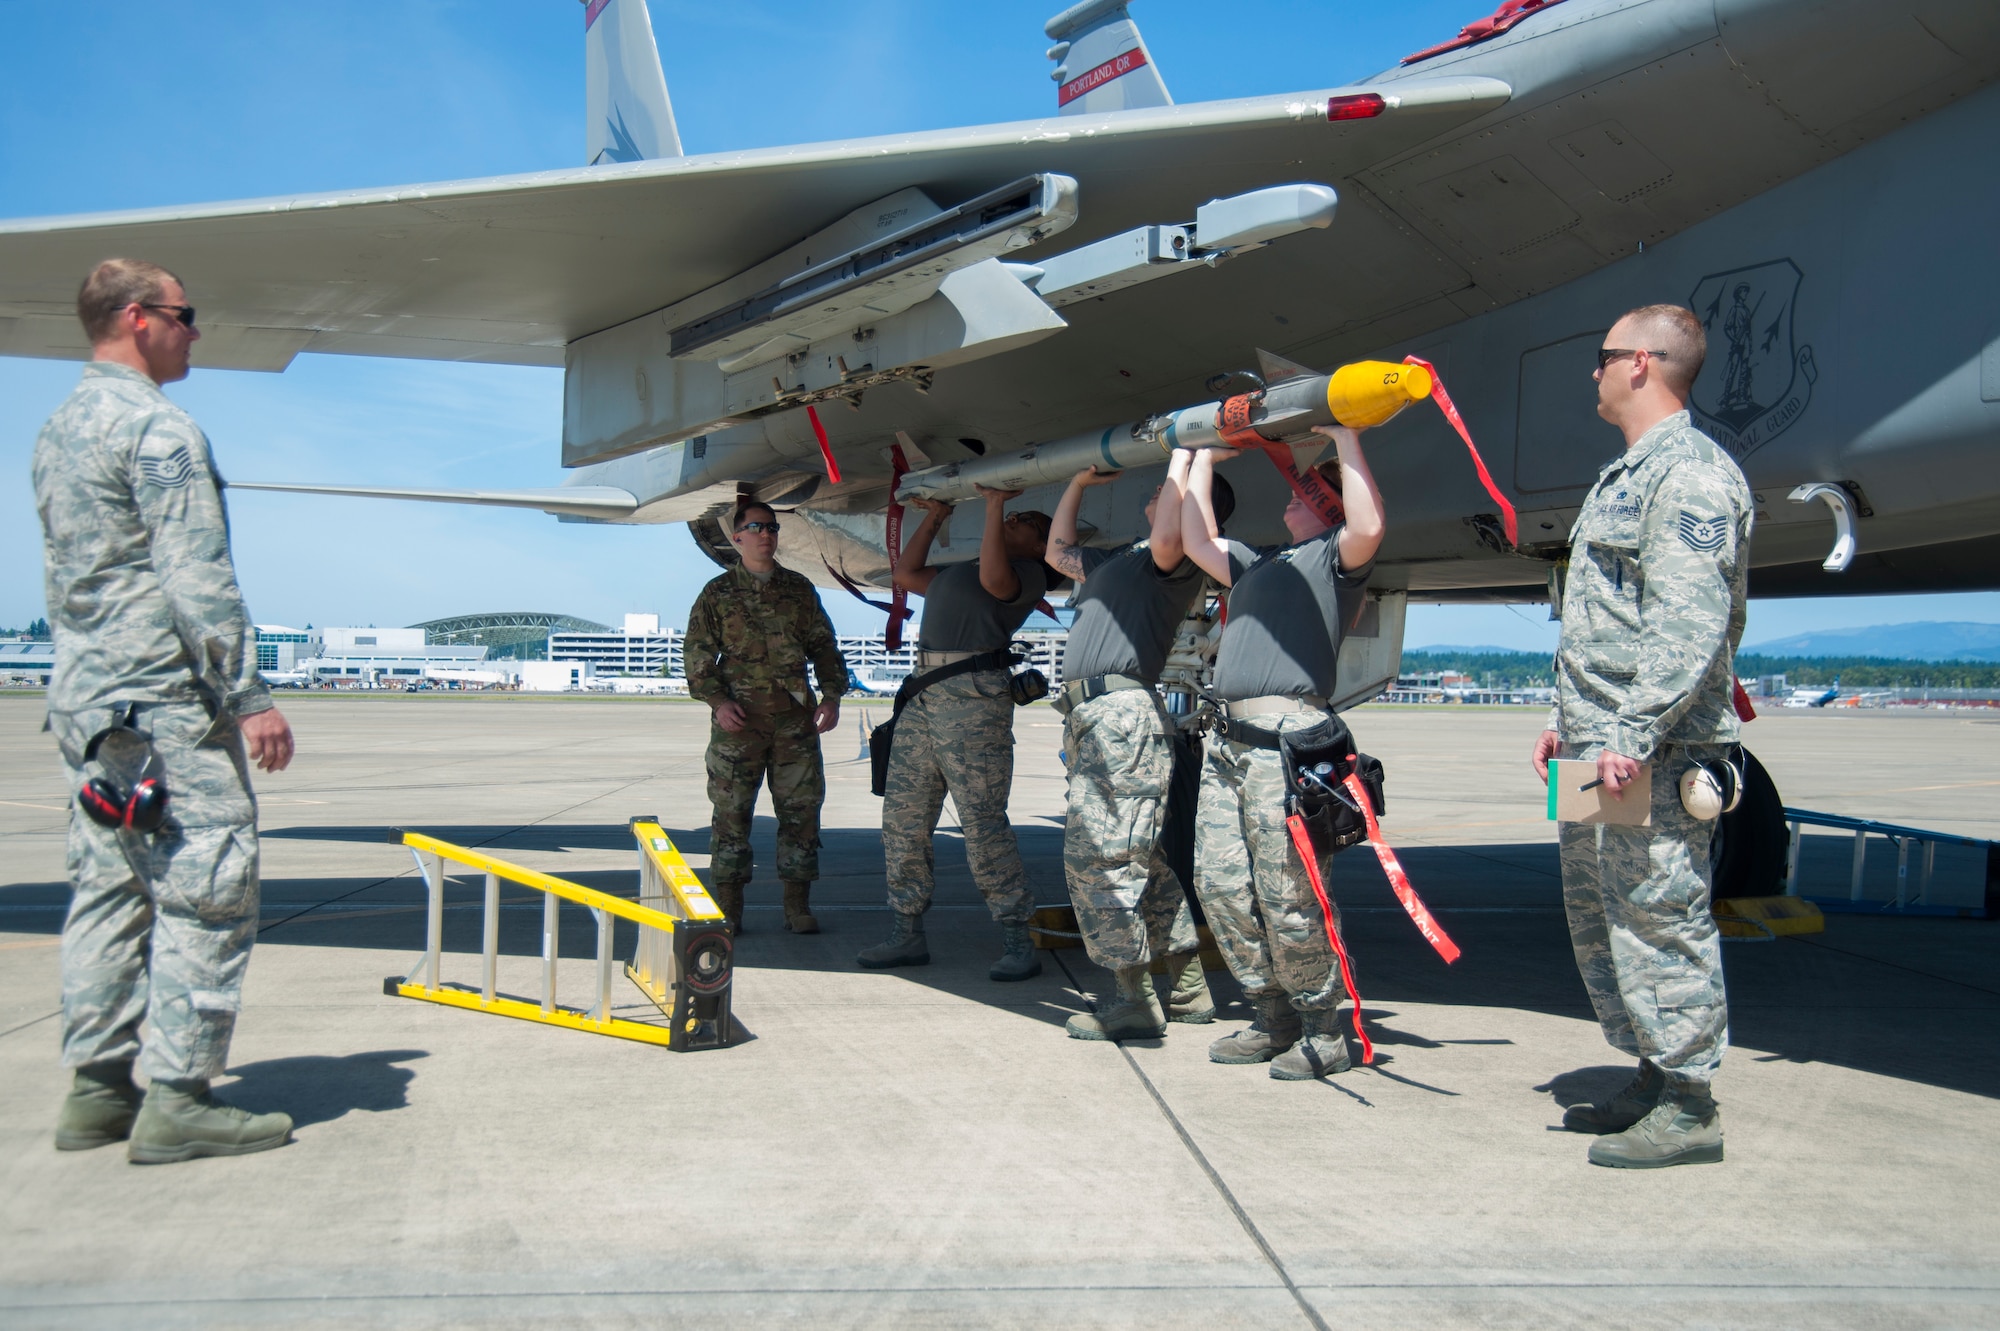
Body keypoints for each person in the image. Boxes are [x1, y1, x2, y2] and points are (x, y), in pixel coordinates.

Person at [34, 259, 297, 1163]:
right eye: (188, 315)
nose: (197, 331)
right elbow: (196, 579)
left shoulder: (59, 428)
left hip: (89, 704)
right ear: (139, 319)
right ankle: (181, 1097)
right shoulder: (159, 431)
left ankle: (95, 1092)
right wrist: (249, 696)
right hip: (167, 704)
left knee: (108, 892)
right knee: (209, 887)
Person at [1530, 304, 1752, 1169]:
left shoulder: (1691, 475)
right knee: (1600, 914)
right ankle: (1655, 1074)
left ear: (1641, 365)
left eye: (1602, 355)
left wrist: (1630, 728)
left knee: (1659, 916)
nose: (1592, 371)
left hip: (1649, 753)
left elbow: (1688, 629)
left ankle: (1692, 1104)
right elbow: (1602, 622)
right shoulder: (1622, 474)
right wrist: (1565, 722)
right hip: (1598, 746)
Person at [1179, 428, 1385, 1080]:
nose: (1290, 497)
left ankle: (1324, 1028)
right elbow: (1195, 540)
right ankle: (1272, 1013)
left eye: (1305, 490)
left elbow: (1369, 520)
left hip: (1282, 745)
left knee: (1289, 893)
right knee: (1218, 883)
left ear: (1325, 507)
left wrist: (1345, 439)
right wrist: (1194, 459)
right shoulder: (1261, 562)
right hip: (1229, 745)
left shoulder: (1333, 558)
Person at [1043, 453, 1234, 1040]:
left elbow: (1174, 530)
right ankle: (1186, 987)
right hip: (1095, 715)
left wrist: (1185, 453)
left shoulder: (1167, 563)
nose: (1157, 492)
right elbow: (1056, 553)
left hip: (1120, 713)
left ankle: (1132, 998)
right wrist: (1076, 483)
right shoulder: (1121, 560)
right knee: (1141, 858)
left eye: (1167, 490)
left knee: (1099, 858)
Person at [857, 486, 1053, 980]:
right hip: (925, 692)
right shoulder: (961, 572)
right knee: (903, 817)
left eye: (1026, 520)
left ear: (1038, 546)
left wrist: (994, 504)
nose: (1017, 520)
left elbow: (995, 577)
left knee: (982, 823)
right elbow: (905, 574)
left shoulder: (1027, 575)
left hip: (972, 697)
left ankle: (1016, 937)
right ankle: (906, 932)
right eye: (1015, 514)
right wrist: (937, 517)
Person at [684, 500, 847, 934]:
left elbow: (825, 647)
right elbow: (697, 657)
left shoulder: (799, 589)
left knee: (801, 815)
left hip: (795, 724)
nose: (765, 534)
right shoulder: (717, 594)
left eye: (771, 527)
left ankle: (797, 907)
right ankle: (730, 909)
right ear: (736, 538)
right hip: (739, 726)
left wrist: (831, 697)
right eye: (755, 527)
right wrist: (718, 702)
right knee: (731, 816)